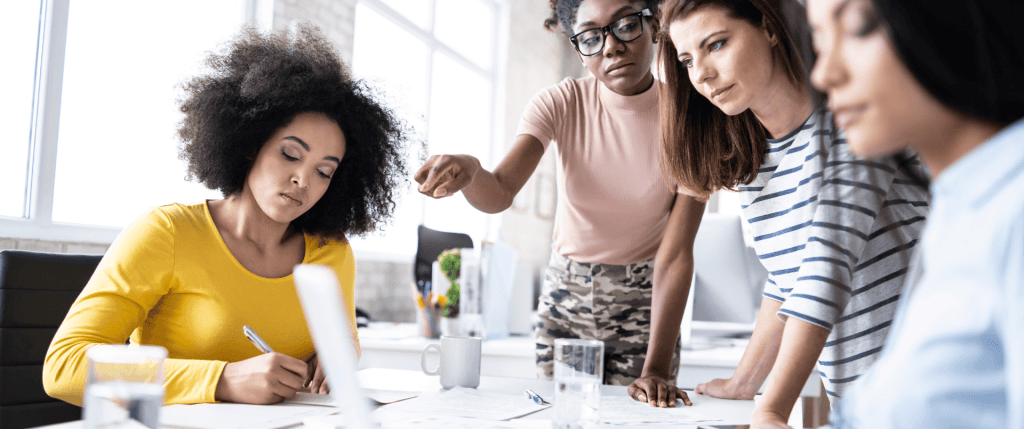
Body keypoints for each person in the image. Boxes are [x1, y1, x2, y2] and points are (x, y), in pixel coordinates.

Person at [43, 25, 409, 406]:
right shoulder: (167, 233)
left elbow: (345, 339)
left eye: (324, 171)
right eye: (290, 154)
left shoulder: (330, 251)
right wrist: (219, 379)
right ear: (251, 145)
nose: (303, 180)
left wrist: (336, 359)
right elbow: (63, 368)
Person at [634, 0, 930, 425]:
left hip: (937, 389)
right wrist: (745, 382)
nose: (701, 73)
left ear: (769, 27)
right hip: (864, 405)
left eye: (716, 44)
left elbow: (823, 272)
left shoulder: (851, 120)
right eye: (686, 60)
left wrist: (771, 407)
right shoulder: (755, 160)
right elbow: (789, 275)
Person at [414, 0, 705, 392]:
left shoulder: (693, 121)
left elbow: (677, 255)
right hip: (565, 301)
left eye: (625, 25)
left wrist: (655, 367)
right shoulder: (560, 103)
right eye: (590, 37)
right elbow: (500, 193)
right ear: (578, 52)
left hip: (645, 306)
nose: (611, 47)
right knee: (562, 418)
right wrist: (471, 172)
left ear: (655, 26)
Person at [806, 0, 1024, 427]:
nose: (824, 73)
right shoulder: (959, 202)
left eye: (859, 27)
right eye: (817, 38)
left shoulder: (1013, 213)